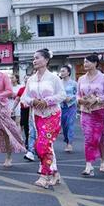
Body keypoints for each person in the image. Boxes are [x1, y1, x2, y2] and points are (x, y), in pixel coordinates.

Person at [21, 49, 65, 188]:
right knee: (46, 145)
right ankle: (55, 173)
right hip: (37, 115)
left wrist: (47, 101)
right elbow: (24, 97)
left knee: (42, 145)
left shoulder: (53, 78)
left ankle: (44, 175)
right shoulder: (31, 79)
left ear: (46, 60)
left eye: (37, 58)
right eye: (33, 58)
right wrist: (33, 101)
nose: (34, 60)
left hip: (52, 114)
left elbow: (62, 95)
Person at [77, 53, 104, 177]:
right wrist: (80, 100)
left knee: (101, 139)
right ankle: (89, 165)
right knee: (88, 138)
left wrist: (97, 99)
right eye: (84, 62)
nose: (85, 64)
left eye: (87, 62)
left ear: (95, 63)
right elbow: (77, 95)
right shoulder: (81, 79)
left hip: (100, 112)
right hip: (85, 112)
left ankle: (103, 161)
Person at [59, 65, 77, 153]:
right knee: (64, 125)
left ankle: (70, 143)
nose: (61, 73)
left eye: (63, 71)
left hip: (71, 106)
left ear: (68, 72)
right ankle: (66, 140)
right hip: (62, 106)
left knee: (70, 124)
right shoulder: (58, 83)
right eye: (61, 71)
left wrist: (71, 97)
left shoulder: (73, 83)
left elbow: (78, 94)